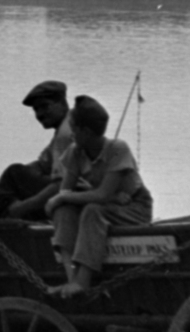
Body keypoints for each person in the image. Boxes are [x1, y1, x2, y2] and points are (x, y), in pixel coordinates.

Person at [45, 95, 153, 298]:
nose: (71, 134)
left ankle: (83, 282)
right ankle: (72, 280)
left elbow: (100, 195)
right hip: (110, 204)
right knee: (64, 211)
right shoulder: (75, 152)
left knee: (92, 211)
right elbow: (68, 192)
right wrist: (63, 199)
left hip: (135, 207)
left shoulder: (117, 149)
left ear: (85, 132)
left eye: (74, 129)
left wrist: (61, 198)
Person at [0, 80, 74, 220]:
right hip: (72, 193)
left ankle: (6, 229)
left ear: (62, 103)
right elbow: (43, 164)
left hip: (72, 194)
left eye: (45, 106)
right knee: (15, 176)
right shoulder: (70, 122)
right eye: (36, 109)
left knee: (13, 173)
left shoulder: (65, 135)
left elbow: (61, 184)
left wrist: (23, 206)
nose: (40, 114)